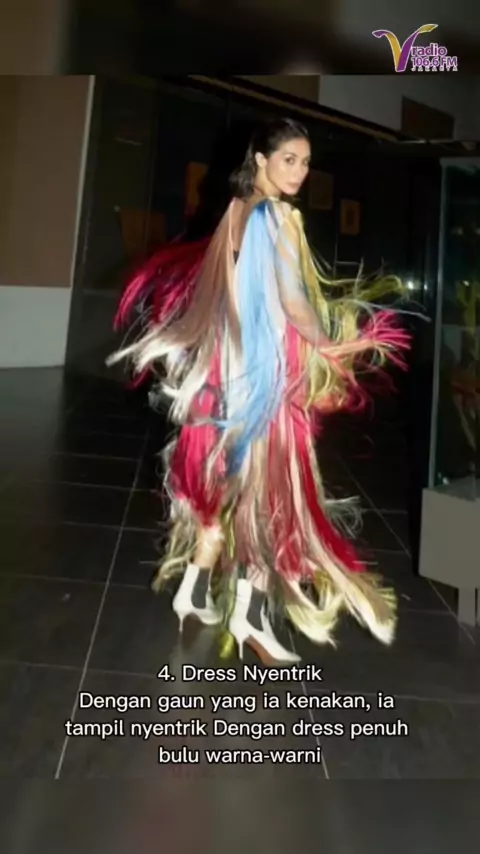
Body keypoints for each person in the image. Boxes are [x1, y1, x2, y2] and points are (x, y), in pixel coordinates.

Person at [109, 118, 410, 664]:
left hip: (225, 376)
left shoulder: (235, 212)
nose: (299, 171)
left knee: (227, 491)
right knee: (270, 502)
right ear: (262, 160)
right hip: (265, 383)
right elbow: (294, 302)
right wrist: (334, 347)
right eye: (289, 159)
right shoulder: (282, 218)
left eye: (306, 162)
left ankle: (192, 592)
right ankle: (249, 616)